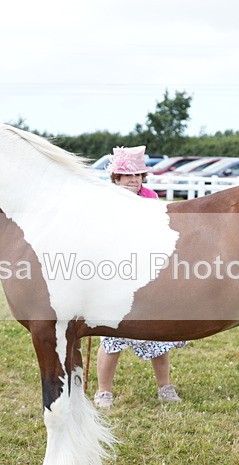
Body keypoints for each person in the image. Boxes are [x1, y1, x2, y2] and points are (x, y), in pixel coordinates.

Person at [93, 146, 187, 408]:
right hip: (116, 276)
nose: (134, 180)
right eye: (127, 176)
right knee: (112, 336)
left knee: (159, 334)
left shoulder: (150, 198)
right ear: (116, 178)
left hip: (147, 274)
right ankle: (104, 391)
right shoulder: (106, 200)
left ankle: (164, 387)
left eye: (137, 175)